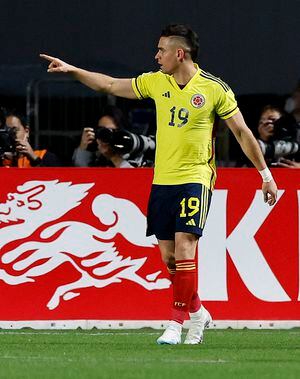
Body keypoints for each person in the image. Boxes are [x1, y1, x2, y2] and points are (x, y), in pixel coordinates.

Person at [40, 24, 277, 345]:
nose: (156, 55)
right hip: (162, 179)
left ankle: (176, 324)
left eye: (161, 49)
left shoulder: (214, 89)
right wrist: (72, 70)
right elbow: (110, 84)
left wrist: (265, 173)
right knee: (169, 259)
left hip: (195, 178)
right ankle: (198, 313)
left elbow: (242, 132)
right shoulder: (156, 83)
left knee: (185, 248)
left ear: (179, 54)